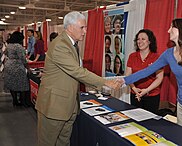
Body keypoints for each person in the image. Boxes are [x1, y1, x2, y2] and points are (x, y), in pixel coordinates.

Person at [120, 18, 182, 136]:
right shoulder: (168, 54)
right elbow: (147, 71)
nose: (168, 30)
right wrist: (124, 80)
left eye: (172, 27)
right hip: (181, 105)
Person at [35, 11, 120, 146]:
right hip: (54, 107)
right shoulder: (60, 45)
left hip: (68, 106)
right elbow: (78, 72)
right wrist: (105, 82)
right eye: (82, 27)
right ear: (69, 27)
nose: (85, 31)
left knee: (63, 142)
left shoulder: (72, 44)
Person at [125, 29, 163, 114]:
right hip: (135, 93)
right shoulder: (132, 56)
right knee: (135, 120)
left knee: (150, 122)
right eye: (138, 39)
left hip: (152, 95)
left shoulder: (156, 57)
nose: (139, 41)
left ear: (149, 41)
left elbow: (159, 78)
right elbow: (128, 76)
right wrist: (135, 89)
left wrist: (146, 90)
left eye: (143, 39)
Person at [4, 31, 30, 107]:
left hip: (9, 65)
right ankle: (23, 102)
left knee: (12, 83)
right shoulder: (18, 46)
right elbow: (23, 58)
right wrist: (27, 67)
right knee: (22, 84)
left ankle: (15, 101)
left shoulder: (9, 45)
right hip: (17, 66)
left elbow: (6, 53)